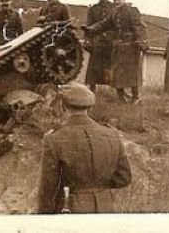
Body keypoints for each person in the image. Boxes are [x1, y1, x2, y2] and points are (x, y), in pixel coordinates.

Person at [37, 82, 131, 214]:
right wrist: (99, 188)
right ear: (90, 108)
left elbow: (48, 189)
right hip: (106, 207)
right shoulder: (111, 134)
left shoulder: (54, 139)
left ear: (63, 106)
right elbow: (124, 178)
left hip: (72, 209)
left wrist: (43, 217)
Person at [82, 0, 147, 104]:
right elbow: (104, 25)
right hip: (118, 46)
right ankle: (121, 97)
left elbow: (139, 26)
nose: (117, 1)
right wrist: (90, 29)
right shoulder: (114, 13)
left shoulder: (132, 11)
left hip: (131, 46)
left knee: (132, 72)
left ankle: (136, 97)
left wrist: (141, 41)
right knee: (116, 72)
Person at [84, 0, 115, 93]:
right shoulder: (93, 9)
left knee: (110, 65)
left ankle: (113, 90)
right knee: (94, 66)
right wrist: (87, 40)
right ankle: (92, 89)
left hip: (111, 40)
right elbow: (89, 25)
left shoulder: (114, 7)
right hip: (97, 40)